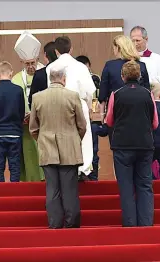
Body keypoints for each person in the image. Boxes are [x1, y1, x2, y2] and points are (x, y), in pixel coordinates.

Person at [29, 63, 86, 229]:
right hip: (70, 147)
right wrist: (75, 139)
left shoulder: (37, 97)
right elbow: (81, 125)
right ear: (64, 79)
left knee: (52, 189)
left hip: (47, 146)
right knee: (69, 189)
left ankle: (54, 224)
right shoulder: (72, 96)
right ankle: (71, 224)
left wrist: (42, 140)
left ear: (49, 79)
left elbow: (33, 127)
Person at [106, 60, 158, 227]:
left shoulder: (116, 94)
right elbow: (155, 123)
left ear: (123, 77)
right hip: (144, 145)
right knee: (144, 185)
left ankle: (130, 225)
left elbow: (109, 121)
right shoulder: (148, 94)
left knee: (126, 187)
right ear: (140, 76)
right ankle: (146, 224)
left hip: (122, 146)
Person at [46, 36, 96, 181]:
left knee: (61, 136)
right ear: (71, 48)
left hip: (57, 104)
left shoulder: (50, 67)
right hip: (78, 103)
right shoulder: (81, 67)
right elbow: (89, 91)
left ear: (56, 51)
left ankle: (63, 167)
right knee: (83, 138)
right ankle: (83, 169)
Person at [13, 31, 45, 181]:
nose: (31, 66)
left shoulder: (46, 74)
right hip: (25, 127)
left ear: (37, 59)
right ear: (21, 63)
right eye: (27, 63)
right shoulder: (16, 79)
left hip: (43, 125)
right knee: (28, 155)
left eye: (33, 62)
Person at [98, 35, 150, 124]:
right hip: (140, 113)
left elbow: (103, 94)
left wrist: (102, 115)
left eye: (114, 48)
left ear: (118, 48)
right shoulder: (141, 65)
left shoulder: (110, 66)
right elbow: (147, 92)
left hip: (117, 112)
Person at [0, 61, 25, 182]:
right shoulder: (18, 90)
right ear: (11, 73)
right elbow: (21, 112)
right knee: (15, 166)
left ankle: (0, 193)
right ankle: (14, 194)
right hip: (14, 132)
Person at [76, 55, 108, 181]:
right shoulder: (74, 80)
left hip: (92, 119)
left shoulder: (95, 79)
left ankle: (93, 177)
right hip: (78, 119)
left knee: (94, 150)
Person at [130, 26, 160, 108]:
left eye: (138, 40)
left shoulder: (159, 59)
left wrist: (151, 81)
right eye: (133, 41)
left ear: (146, 39)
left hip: (154, 103)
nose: (135, 44)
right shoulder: (127, 60)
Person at [28, 41, 58, 108]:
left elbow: (32, 100)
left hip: (43, 113)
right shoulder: (65, 71)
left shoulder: (39, 74)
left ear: (45, 55)